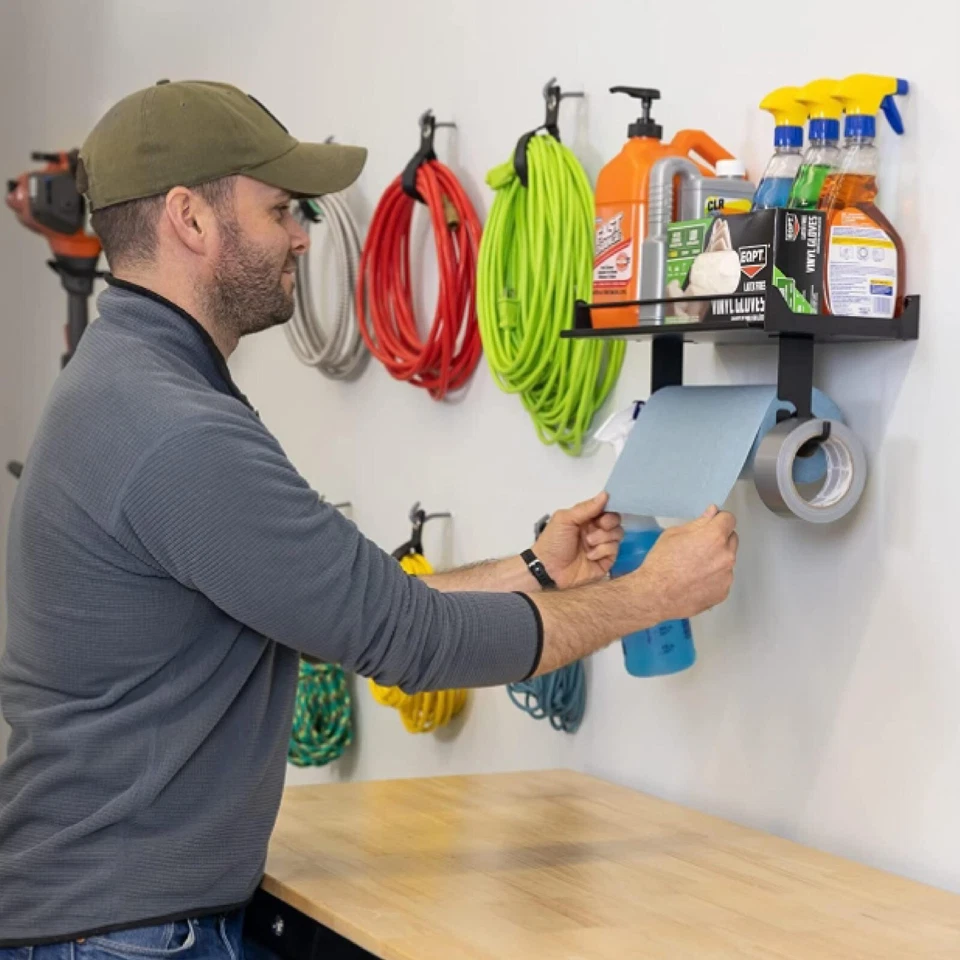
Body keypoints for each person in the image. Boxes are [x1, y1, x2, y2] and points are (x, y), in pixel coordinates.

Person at [0, 81, 738, 957]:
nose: (303, 236)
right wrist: (654, 594)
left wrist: (534, 569)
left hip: (112, 917)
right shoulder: (175, 429)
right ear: (190, 220)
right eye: (278, 210)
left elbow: (339, 607)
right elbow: (409, 643)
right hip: (125, 934)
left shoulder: (132, 382)